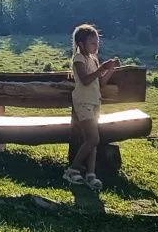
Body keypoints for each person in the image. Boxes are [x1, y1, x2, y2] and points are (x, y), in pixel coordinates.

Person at [63, 24, 120, 191]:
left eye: (97, 43)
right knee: (93, 139)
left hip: (94, 101)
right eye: (92, 44)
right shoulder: (79, 58)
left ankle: (90, 174)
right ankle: (72, 169)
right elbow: (86, 80)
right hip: (83, 102)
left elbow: (100, 82)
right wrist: (102, 68)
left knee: (92, 141)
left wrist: (110, 70)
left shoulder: (93, 60)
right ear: (81, 44)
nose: (96, 47)